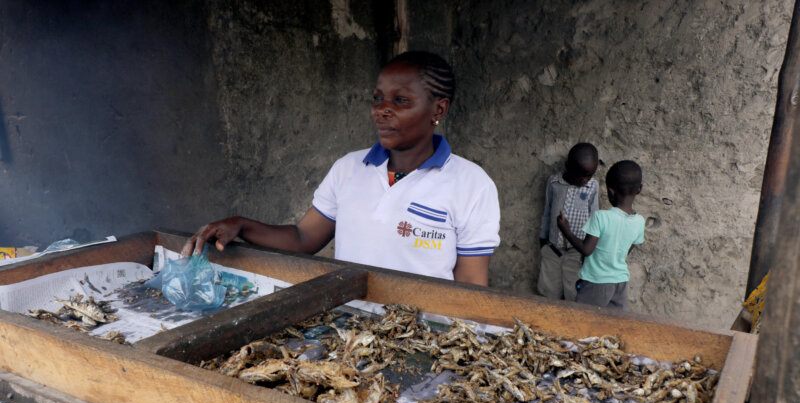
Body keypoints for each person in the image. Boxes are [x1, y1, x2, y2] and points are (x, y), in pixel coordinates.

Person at [183, 51, 500, 285]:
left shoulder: (471, 184)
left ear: (438, 109)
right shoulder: (349, 169)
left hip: (423, 336)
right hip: (348, 326)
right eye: (377, 99)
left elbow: (471, 285)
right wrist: (241, 224)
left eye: (400, 101)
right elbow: (303, 237)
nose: (381, 111)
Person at [556, 160, 645, 310]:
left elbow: (586, 249)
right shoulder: (640, 221)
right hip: (620, 282)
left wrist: (566, 231)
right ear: (639, 189)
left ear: (611, 191)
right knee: (613, 325)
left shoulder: (601, 217)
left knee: (584, 321)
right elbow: (626, 250)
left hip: (596, 281)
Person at [537, 143, 599, 300]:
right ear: (568, 168)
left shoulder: (592, 186)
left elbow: (594, 217)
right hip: (552, 249)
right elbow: (547, 211)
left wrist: (589, 251)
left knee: (574, 294)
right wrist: (543, 241)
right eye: (581, 175)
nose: (585, 180)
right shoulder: (554, 183)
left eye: (589, 175)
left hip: (576, 252)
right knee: (549, 292)